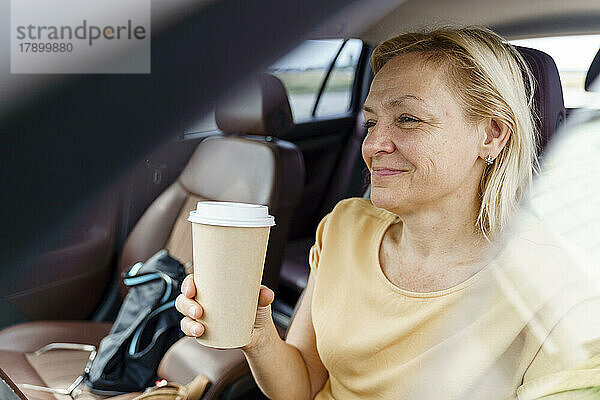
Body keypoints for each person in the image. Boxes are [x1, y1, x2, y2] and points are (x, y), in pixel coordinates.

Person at [175, 26, 600, 399]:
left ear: (491, 135)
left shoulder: (563, 291)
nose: (375, 145)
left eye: (409, 119)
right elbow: (302, 384)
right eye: (372, 121)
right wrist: (256, 332)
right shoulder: (344, 227)